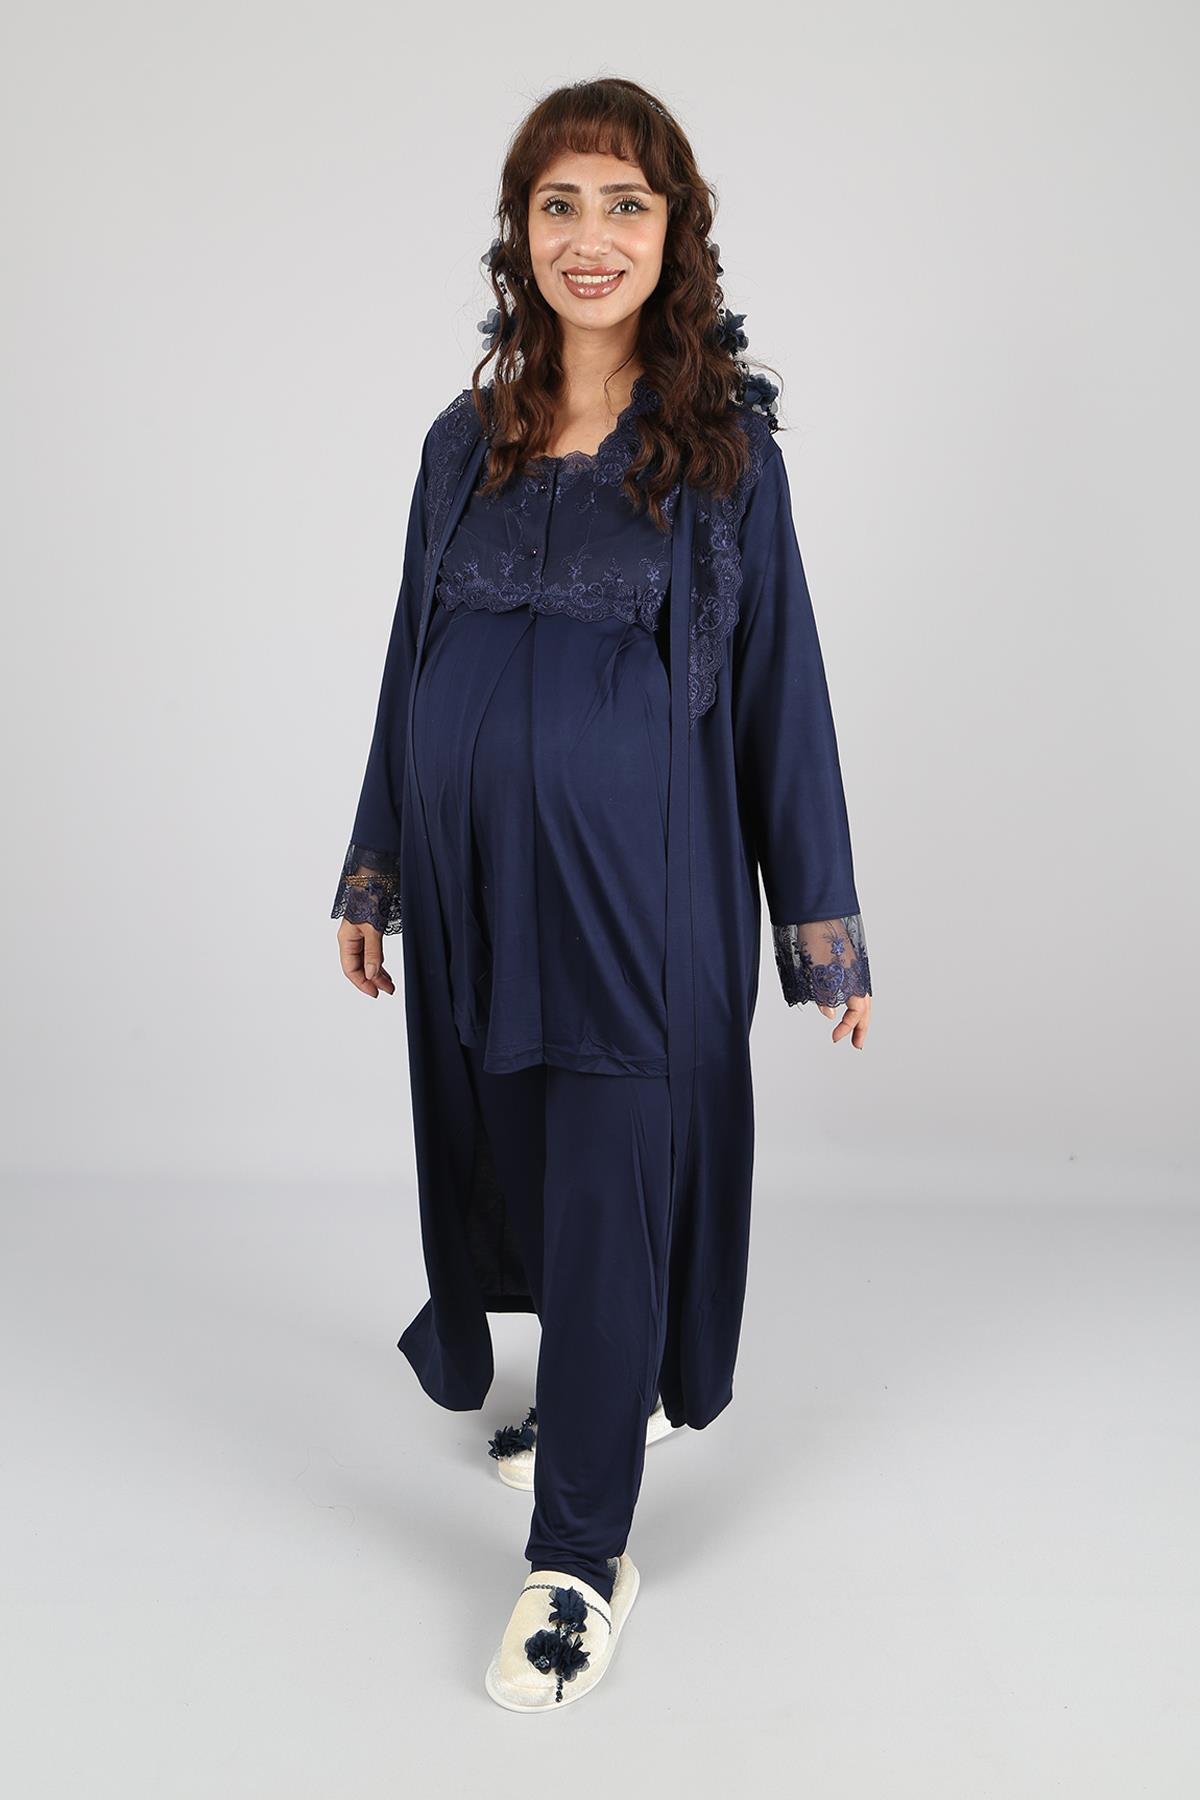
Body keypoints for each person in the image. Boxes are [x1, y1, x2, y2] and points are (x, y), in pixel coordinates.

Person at [331, 77, 873, 1710]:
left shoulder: (724, 457)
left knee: (614, 1185)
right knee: (519, 1164)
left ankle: (578, 1559)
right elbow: (409, 665)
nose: (590, 236)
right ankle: (598, 1389)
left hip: (644, 914)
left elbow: (781, 695)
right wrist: (376, 862)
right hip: (479, 907)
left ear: (674, 232)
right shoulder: (463, 444)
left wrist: (823, 928)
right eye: (559, 202)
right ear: (521, 230)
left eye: (625, 205)